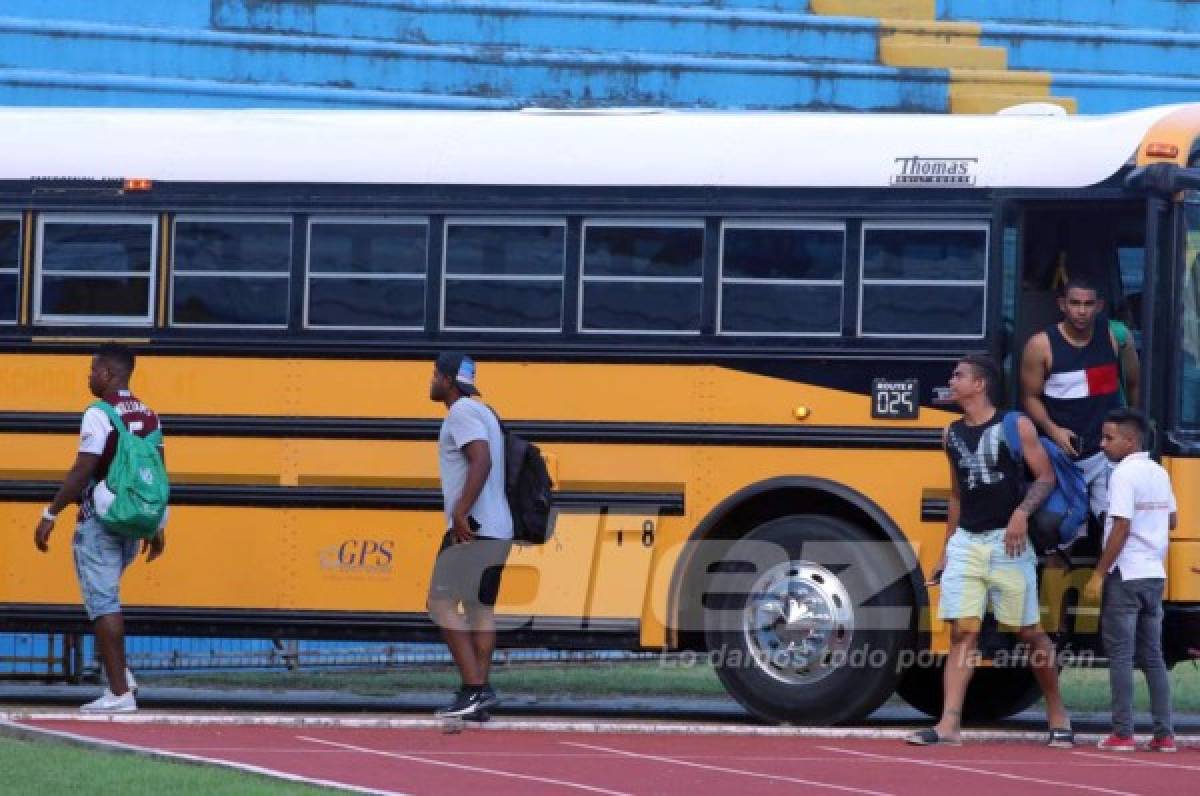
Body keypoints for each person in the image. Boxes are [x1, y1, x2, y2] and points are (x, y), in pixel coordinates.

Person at [907, 354, 1072, 747]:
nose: (952, 380)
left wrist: (1021, 513)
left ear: (979, 384)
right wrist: (948, 549)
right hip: (967, 541)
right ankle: (948, 725)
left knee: (1029, 632)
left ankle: (1057, 712)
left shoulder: (1015, 424)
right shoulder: (950, 433)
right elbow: (957, 496)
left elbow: (1045, 477)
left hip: (1008, 542)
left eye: (958, 375)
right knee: (963, 633)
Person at [33, 343, 166, 713]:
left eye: (92, 370)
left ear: (108, 373)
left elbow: (83, 469)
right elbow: (157, 472)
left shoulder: (99, 413)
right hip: (133, 521)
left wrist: (51, 513)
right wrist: (155, 526)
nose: (89, 377)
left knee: (104, 604)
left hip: (101, 520)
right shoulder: (149, 414)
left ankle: (119, 693)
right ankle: (121, 672)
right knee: (107, 598)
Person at [1021, 277, 1140, 550]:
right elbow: (1030, 397)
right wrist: (1053, 430)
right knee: (1051, 525)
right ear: (1062, 305)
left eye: (1088, 304)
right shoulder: (1041, 346)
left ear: (1099, 306)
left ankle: (1106, 581)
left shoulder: (1115, 338)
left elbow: (1133, 385)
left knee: (1118, 524)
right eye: (1075, 303)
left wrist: (1130, 434)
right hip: (1062, 456)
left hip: (1105, 454)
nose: (1082, 311)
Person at [427, 352, 513, 720]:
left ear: (448, 380)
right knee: (480, 609)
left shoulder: (460, 413)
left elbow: (481, 460)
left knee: (440, 603)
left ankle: (473, 689)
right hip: (498, 529)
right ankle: (482, 690)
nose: (430, 381)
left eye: (434, 374)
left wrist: (460, 512)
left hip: (472, 530)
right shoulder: (486, 413)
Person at [1085, 408, 1177, 752]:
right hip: (1154, 572)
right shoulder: (1159, 472)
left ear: (1130, 440)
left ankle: (1122, 732)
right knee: (1153, 656)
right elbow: (1172, 520)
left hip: (1126, 573)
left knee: (1121, 654)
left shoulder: (1123, 474)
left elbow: (1120, 526)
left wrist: (1098, 574)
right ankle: (1164, 733)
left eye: (1109, 438)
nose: (1103, 444)